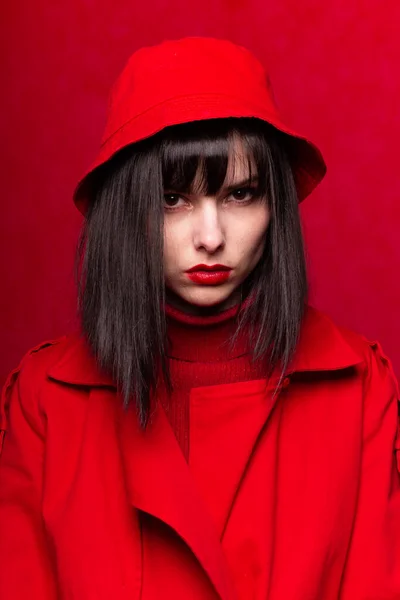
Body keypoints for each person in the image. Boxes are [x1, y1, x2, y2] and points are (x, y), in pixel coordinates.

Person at [0, 36, 399, 600]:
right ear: (126, 210)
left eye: (240, 195)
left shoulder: (359, 390)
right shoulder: (46, 402)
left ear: (275, 206)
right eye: (172, 199)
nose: (210, 238)